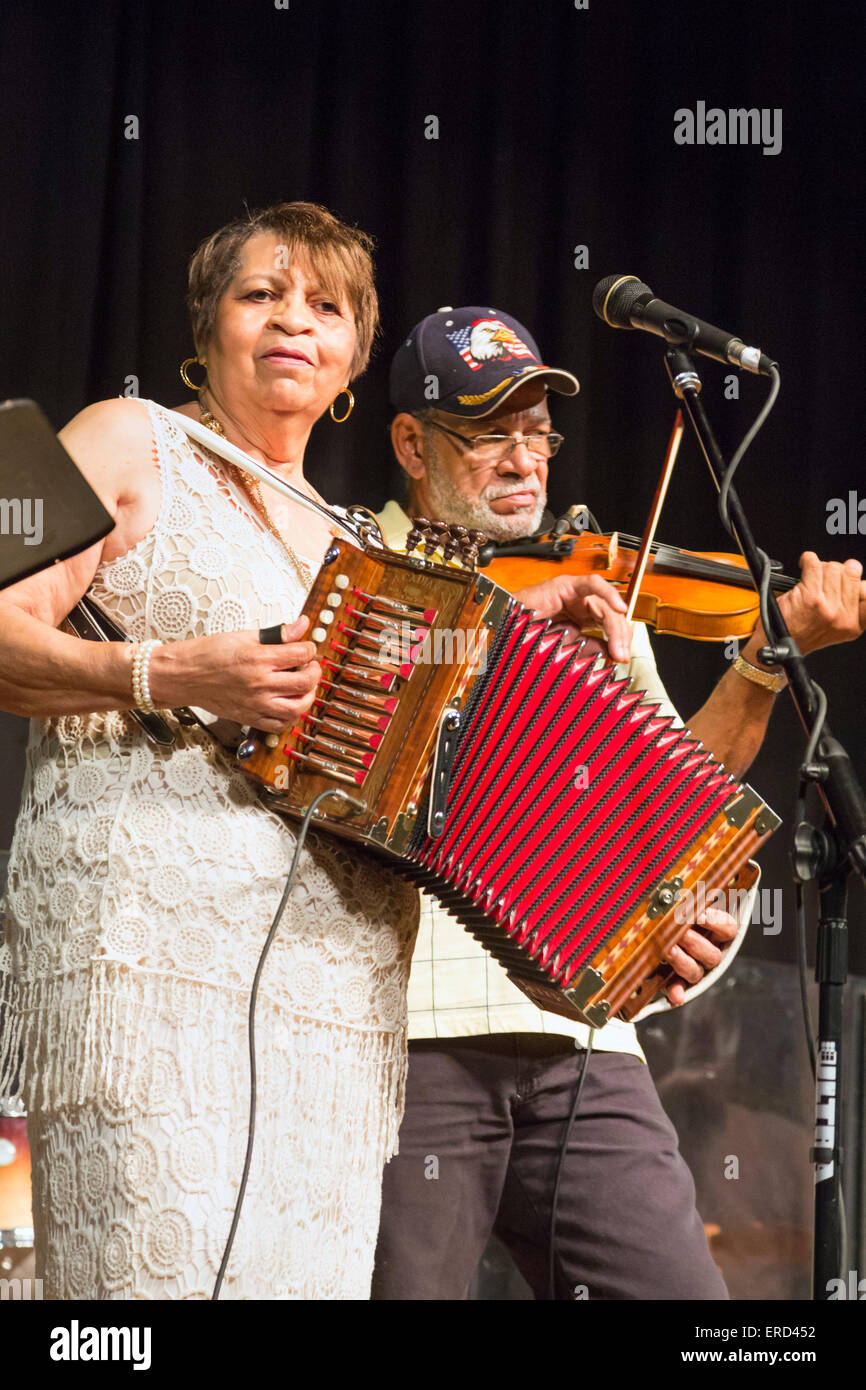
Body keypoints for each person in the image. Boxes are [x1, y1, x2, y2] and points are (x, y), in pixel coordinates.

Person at [370, 305, 866, 1300]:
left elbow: (673, 805)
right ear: (411, 444)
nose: (523, 459)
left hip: (586, 1046)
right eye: (488, 432)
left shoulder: (591, 599)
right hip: (410, 1039)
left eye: (536, 432)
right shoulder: (357, 574)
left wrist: (765, 661)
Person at [0, 201, 426, 1300]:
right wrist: (162, 670)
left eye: (325, 307)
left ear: (349, 369)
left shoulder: (362, 550)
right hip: (145, 974)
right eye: (261, 294)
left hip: (329, 1016)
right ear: (207, 331)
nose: (294, 320)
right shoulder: (125, 436)